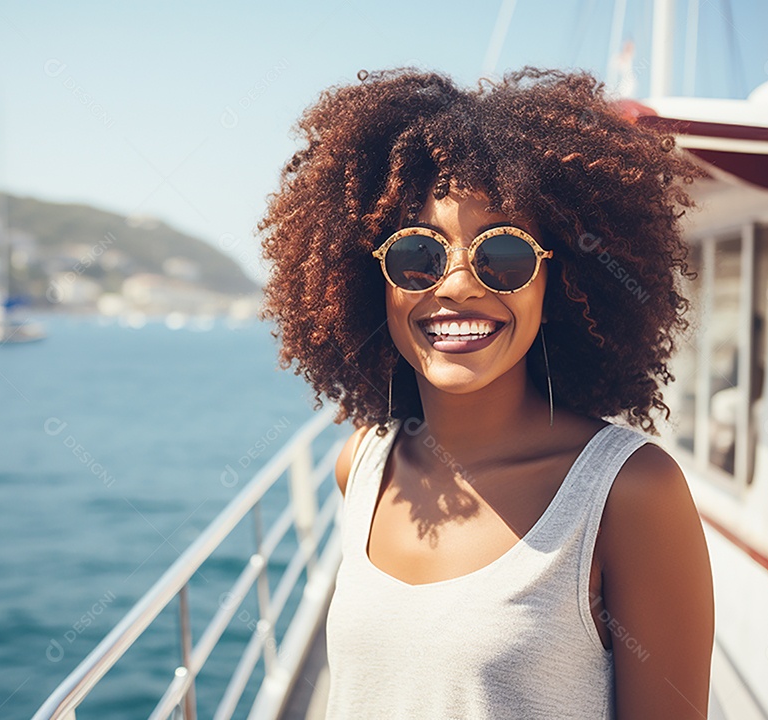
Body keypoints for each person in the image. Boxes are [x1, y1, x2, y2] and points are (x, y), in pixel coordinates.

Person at [260, 67, 713, 719]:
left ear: (555, 283)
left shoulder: (630, 493)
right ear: (373, 281)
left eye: (503, 256)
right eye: (418, 253)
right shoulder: (361, 464)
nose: (457, 286)